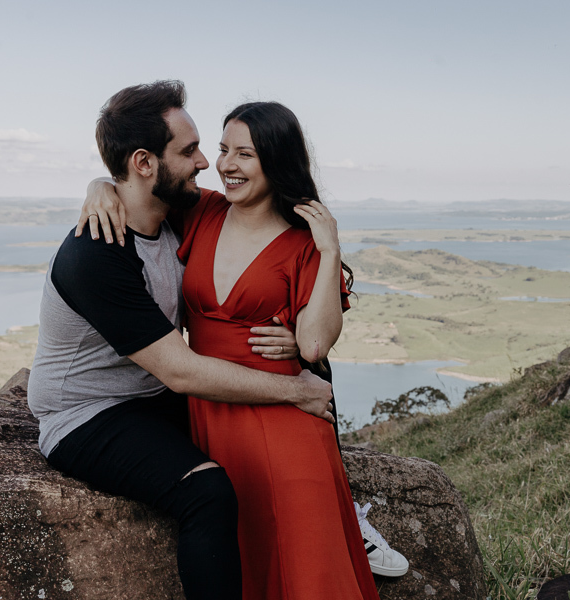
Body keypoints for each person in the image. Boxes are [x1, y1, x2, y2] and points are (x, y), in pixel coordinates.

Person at [81, 91, 409, 597]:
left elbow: (316, 344)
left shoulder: (302, 242)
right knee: (245, 555)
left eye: (244, 155)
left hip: (281, 410)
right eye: (223, 149)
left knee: (306, 566)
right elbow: (141, 184)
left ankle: (352, 529)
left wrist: (328, 250)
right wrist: (99, 185)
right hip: (212, 403)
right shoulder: (201, 210)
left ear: (275, 161)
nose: (225, 166)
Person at [27, 81, 337, 600]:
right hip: (88, 415)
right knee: (207, 490)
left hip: (149, 395)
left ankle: (334, 510)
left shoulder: (173, 212)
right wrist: (297, 391)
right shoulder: (96, 256)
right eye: (191, 151)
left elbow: (254, 224)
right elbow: (181, 370)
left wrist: (102, 182)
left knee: (283, 407)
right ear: (146, 163)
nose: (204, 163)